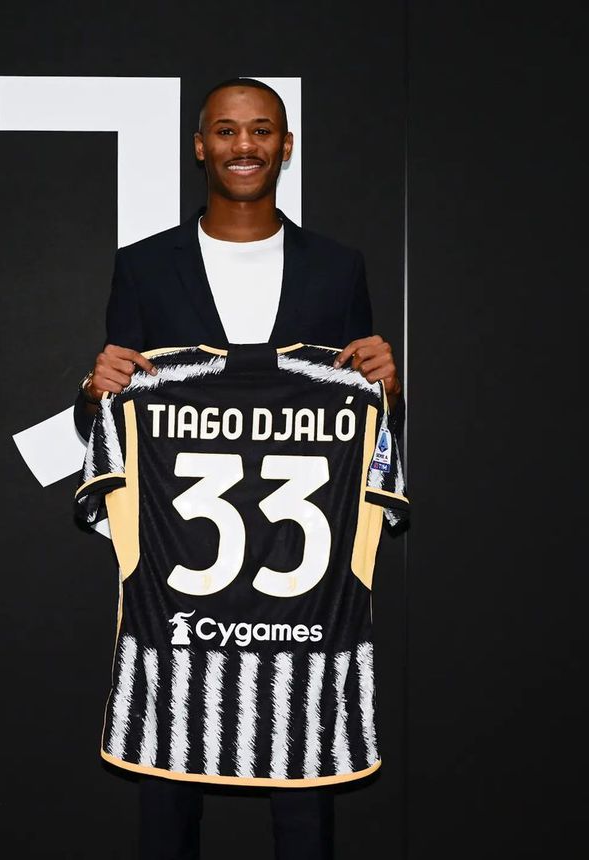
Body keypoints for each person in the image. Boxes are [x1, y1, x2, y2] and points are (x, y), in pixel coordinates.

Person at [73, 77, 403, 860]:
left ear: (285, 146)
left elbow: (359, 424)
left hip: (299, 579)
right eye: (226, 130)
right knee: (168, 788)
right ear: (200, 146)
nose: (244, 145)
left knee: (305, 789)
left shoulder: (338, 268)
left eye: (260, 130)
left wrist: (387, 389)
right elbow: (117, 417)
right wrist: (92, 390)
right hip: (181, 574)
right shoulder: (145, 267)